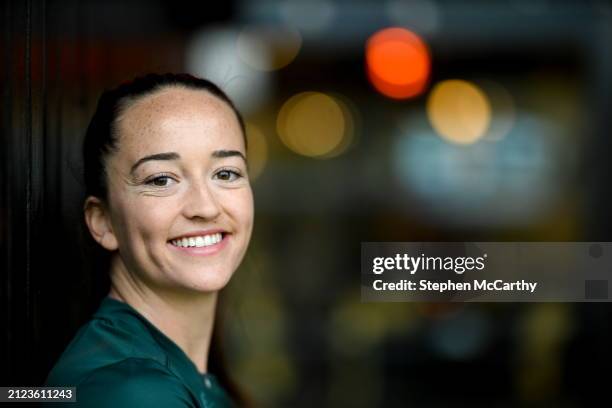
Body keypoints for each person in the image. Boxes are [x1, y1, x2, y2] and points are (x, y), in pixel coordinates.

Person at [44, 73, 254, 407]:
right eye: (161, 180)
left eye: (225, 173)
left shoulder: (180, 372)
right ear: (103, 222)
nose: (205, 207)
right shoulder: (129, 390)